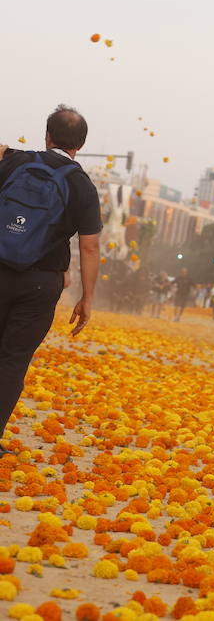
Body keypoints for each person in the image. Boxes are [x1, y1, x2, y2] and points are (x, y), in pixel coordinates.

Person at [0, 106, 102, 451]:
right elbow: (89, 248)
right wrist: (87, 298)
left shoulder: (15, 162)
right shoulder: (82, 186)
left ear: (46, 135)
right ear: (81, 144)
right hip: (40, 284)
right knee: (13, 359)